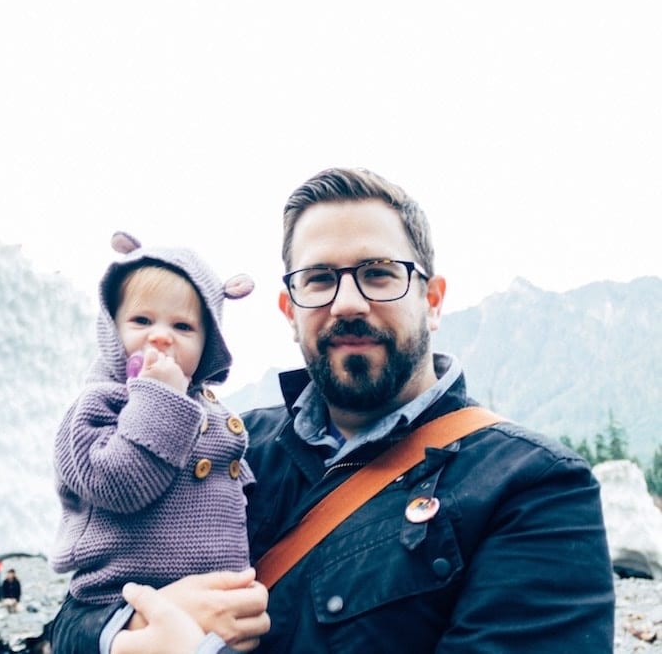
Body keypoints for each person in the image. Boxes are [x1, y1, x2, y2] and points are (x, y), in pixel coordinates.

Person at [50, 168, 615, 653]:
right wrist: (129, 634)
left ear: (432, 300)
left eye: (378, 274)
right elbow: (75, 608)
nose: (347, 302)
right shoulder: (228, 444)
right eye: (319, 279)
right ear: (289, 310)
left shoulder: (535, 487)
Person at [48, 231, 258, 642]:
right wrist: (160, 397)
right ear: (112, 329)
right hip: (123, 599)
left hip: (222, 612)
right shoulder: (98, 405)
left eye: (183, 326)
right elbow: (117, 484)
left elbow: (230, 483)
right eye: (142, 321)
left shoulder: (213, 412)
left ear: (208, 345)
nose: (161, 336)